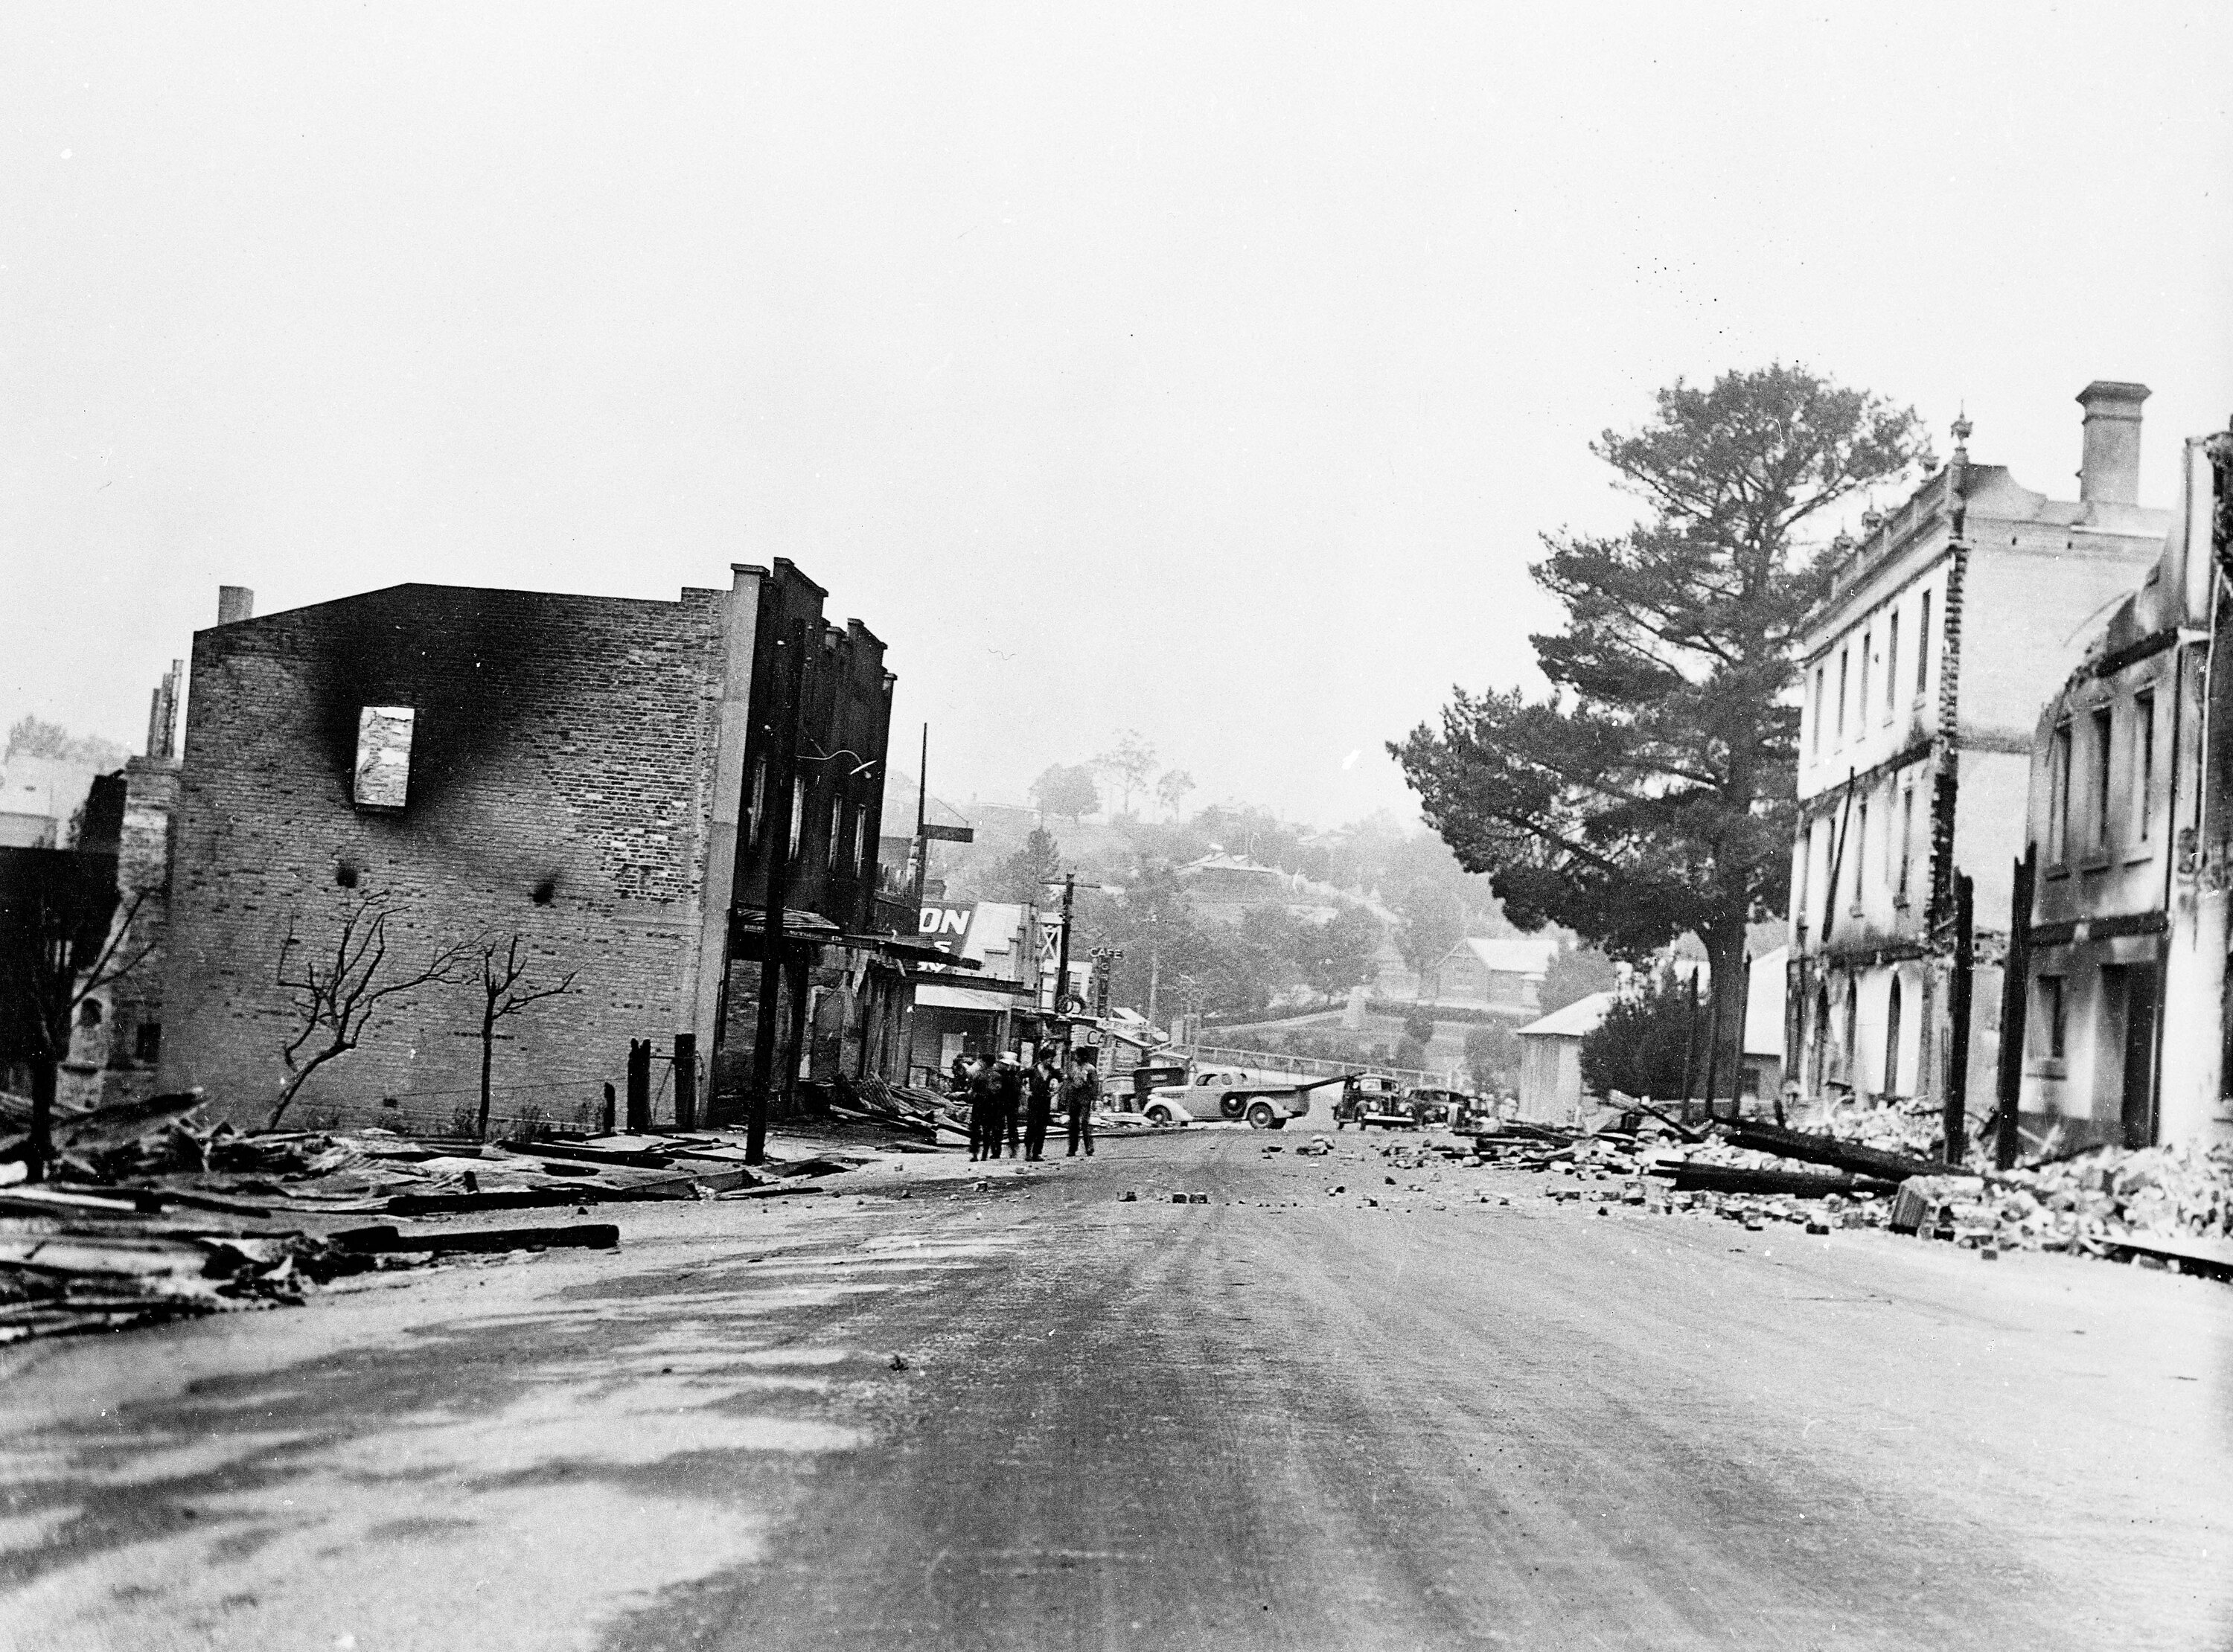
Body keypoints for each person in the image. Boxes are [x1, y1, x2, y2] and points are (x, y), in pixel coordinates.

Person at [1061, 1047, 1101, 1158]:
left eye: (1077, 1055)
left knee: (1084, 1123)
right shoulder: (1072, 1067)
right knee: (1073, 1124)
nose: (1075, 1057)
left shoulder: (1090, 1069)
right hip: (1073, 1098)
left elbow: (1095, 1085)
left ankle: (1089, 1147)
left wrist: (1094, 1099)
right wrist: (1064, 1095)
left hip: (1085, 1098)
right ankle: (1072, 1149)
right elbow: (1068, 1081)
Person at [1023, 1049, 1056, 1162]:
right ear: (1043, 1059)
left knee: (1042, 1128)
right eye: (1049, 1059)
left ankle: (1037, 1153)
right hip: (1034, 1101)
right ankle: (1028, 1151)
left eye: (1052, 1059)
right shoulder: (1033, 1070)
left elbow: (1062, 1080)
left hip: (1045, 1101)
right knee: (1031, 1126)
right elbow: (1019, 1076)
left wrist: (1054, 1092)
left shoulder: (1052, 1071)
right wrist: (1025, 1091)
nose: (1050, 1061)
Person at [967, 1057, 1001, 1162]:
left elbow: (973, 1090)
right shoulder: (997, 1075)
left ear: (985, 1062)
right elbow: (997, 1089)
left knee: (975, 1129)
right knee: (987, 1129)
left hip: (980, 1102)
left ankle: (974, 1154)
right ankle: (984, 1154)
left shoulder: (978, 1074)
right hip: (991, 1103)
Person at [996, 1053, 1024, 1159]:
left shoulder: (1002, 1076)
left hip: (1004, 1103)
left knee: (1000, 1127)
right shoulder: (1016, 1077)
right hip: (1011, 1104)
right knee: (1012, 1127)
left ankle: (998, 1151)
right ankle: (1013, 1149)